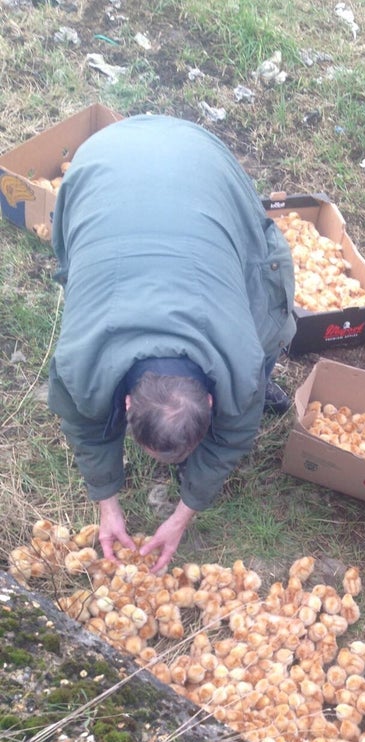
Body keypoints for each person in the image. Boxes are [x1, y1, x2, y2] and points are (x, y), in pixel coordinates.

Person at [49, 114, 296, 572]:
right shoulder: (77, 360)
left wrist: (183, 516)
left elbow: (235, 431)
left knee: (269, 311)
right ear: (125, 406)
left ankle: (256, 392)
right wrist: (107, 505)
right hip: (101, 166)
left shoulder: (244, 355)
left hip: (203, 164)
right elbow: (81, 424)